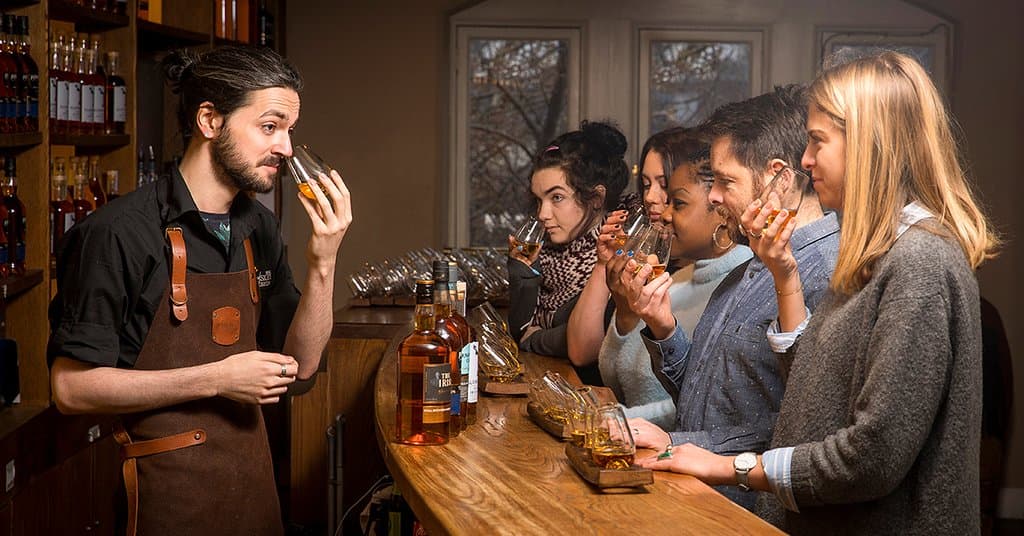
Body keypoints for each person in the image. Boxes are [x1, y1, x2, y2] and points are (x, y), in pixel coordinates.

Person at [638, 51, 999, 534]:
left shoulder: (921, 261)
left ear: (871, 144)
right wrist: (786, 278)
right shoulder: (873, 249)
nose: (806, 161)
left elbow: (873, 455)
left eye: (818, 142)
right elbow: (817, 395)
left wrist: (736, 467)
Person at [47, 46, 352, 536]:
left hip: (254, 497)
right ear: (209, 120)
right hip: (162, 504)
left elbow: (302, 365)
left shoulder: (261, 227)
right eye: (270, 127)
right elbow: (70, 389)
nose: (287, 149)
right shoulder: (118, 233)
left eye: (289, 131)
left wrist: (325, 260)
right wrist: (216, 379)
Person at [622, 85, 841, 509]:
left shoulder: (829, 272)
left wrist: (675, 440)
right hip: (696, 499)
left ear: (778, 178)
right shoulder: (749, 266)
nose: (715, 196)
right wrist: (664, 328)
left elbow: (801, 428)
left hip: (751, 512)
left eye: (725, 181)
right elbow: (708, 396)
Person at [596, 128, 753, 429]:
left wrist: (608, 420)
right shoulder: (679, 278)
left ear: (721, 211)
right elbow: (615, 380)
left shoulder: (741, 286)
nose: (664, 214)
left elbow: (696, 407)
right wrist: (626, 315)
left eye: (677, 203)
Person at [507, 120, 629, 382]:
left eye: (557, 197)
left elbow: (583, 347)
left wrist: (535, 338)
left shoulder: (618, 250)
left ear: (595, 198)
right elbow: (517, 331)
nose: (542, 214)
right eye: (539, 200)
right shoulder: (547, 251)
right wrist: (523, 274)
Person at [566, 126, 691, 370]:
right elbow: (581, 352)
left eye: (663, 184)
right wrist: (603, 263)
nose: (651, 197)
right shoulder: (643, 256)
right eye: (646, 184)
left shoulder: (692, 267)